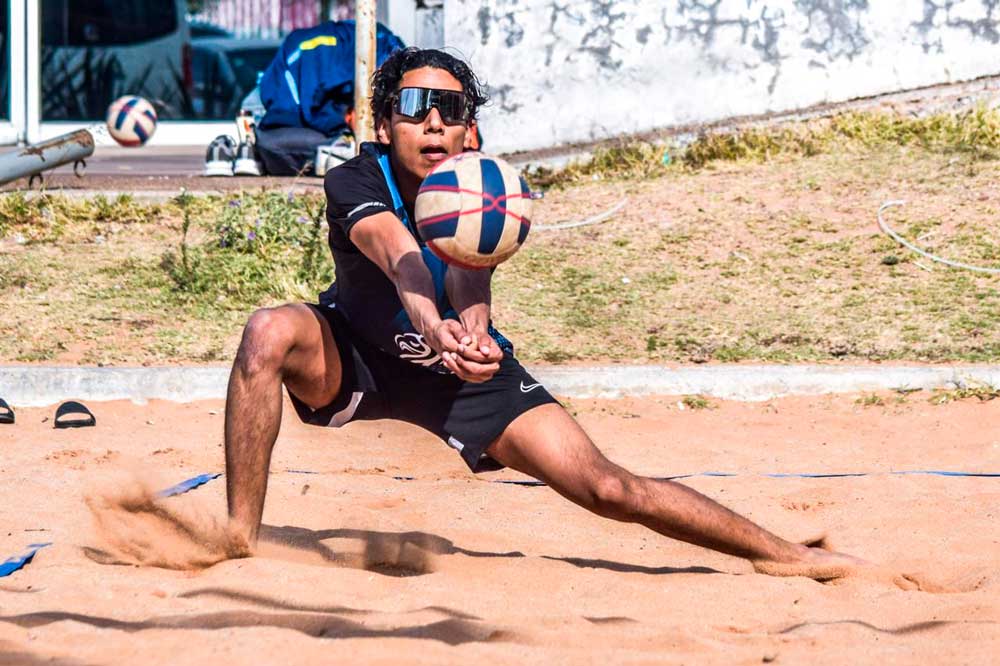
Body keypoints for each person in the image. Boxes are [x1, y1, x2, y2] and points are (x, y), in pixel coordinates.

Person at [223, 47, 866, 579]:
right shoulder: (355, 181)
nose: (436, 123)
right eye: (417, 107)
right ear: (385, 126)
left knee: (609, 488)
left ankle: (788, 555)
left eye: (452, 110)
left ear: (471, 130)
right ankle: (238, 541)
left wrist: (472, 340)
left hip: (454, 373)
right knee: (268, 330)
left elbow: (473, 280)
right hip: (357, 352)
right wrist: (433, 326)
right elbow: (399, 258)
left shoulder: (487, 187)